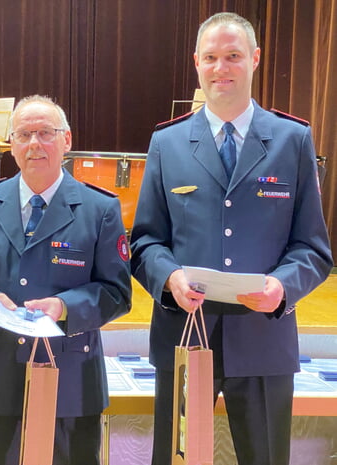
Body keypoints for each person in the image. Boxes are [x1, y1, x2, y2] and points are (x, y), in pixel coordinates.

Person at [130, 12, 333, 465]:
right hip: (185, 335)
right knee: (176, 459)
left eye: (233, 56)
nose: (221, 68)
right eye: (211, 58)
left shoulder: (292, 139)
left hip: (264, 338)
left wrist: (282, 286)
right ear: (196, 63)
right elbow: (145, 242)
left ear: (255, 59)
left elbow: (313, 249)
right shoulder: (168, 142)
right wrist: (170, 278)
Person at [0, 94, 131, 465]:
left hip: (71, 380)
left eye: (45, 133)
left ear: (66, 140)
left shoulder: (99, 209)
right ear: (11, 145)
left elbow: (117, 292)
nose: (34, 143)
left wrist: (64, 307)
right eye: (24, 134)